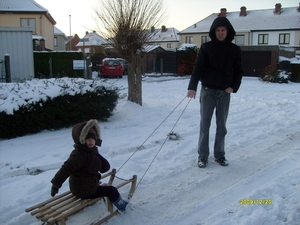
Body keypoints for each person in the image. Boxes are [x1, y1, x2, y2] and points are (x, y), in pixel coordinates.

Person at [187, 17, 243, 168]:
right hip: (208, 91)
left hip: (224, 93)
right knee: (205, 125)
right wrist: (192, 87)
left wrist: (233, 87)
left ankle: (219, 155)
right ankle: (202, 156)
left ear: (228, 32)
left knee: (221, 126)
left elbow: (239, 71)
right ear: (214, 32)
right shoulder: (206, 48)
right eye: (217, 30)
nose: (220, 33)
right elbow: (198, 68)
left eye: (223, 30)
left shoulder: (234, 50)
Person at [50, 119, 128, 212]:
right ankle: (122, 206)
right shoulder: (79, 154)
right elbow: (66, 168)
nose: (90, 141)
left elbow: (103, 167)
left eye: (92, 138)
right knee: (111, 190)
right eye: (87, 138)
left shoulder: (90, 151)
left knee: (103, 186)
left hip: (84, 186)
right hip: (85, 190)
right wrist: (56, 185)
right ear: (81, 140)